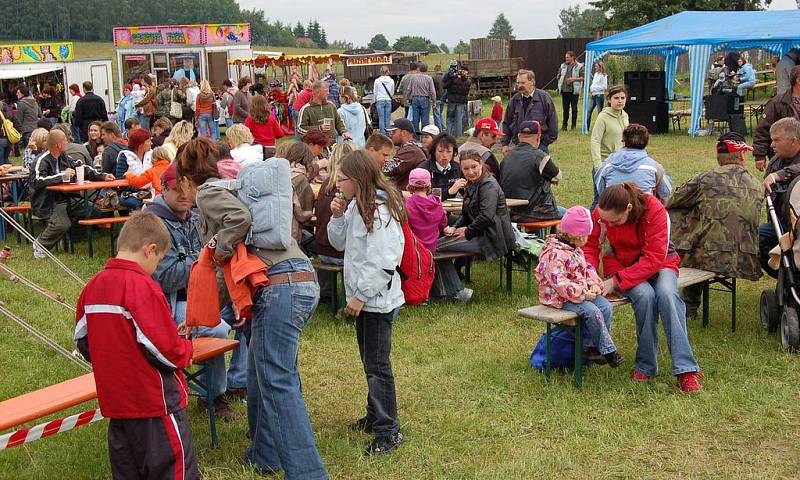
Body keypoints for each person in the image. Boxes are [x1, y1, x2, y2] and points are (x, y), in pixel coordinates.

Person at [176, 139, 327, 478]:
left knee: (278, 381)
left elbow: (238, 221)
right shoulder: (232, 186)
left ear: (187, 178)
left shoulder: (206, 194)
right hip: (298, 279)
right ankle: (265, 453)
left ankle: (308, 473)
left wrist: (218, 251)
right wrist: (202, 314)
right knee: (264, 372)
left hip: (278, 288)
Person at [74, 212, 198, 480]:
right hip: (155, 405)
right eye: (160, 259)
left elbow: (82, 339)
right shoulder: (143, 286)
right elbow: (164, 349)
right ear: (150, 250)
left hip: (117, 404)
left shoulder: (92, 287)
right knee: (175, 471)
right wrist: (187, 349)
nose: (157, 266)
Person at [584, 183, 704, 393]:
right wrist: (590, 275)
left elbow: (654, 258)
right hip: (621, 264)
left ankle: (686, 370)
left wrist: (616, 281)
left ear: (628, 208)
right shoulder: (603, 211)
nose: (607, 224)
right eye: (603, 220)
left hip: (660, 262)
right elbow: (590, 245)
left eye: (613, 221)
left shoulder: (655, 209)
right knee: (645, 296)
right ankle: (646, 366)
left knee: (667, 295)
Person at [327, 149, 406, 455]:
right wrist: (336, 216)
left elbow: (384, 261)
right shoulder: (356, 207)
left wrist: (361, 296)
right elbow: (338, 242)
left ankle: (389, 430)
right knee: (370, 361)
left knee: (377, 365)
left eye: (343, 178)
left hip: (377, 301)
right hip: (366, 298)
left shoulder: (381, 211)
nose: (338, 183)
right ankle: (375, 416)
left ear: (357, 179)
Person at [147, 163, 238, 420]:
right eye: (178, 189)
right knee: (218, 328)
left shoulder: (196, 217)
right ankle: (215, 395)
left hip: (200, 294)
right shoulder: (153, 223)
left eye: (188, 189)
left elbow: (218, 260)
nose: (185, 195)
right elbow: (165, 277)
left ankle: (234, 384)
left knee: (246, 315)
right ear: (163, 188)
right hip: (166, 303)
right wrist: (203, 260)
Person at [667, 132, 763, 319]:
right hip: (746, 258)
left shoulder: (706, 178)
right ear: (742, 155)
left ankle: (689, 306)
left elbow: (670, 201)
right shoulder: (756, 183)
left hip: (709, 256)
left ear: (718, 154)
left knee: (677, 212)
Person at [535, 206, 623, 367]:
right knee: (591, 311)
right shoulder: (553, 254)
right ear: (575, 235)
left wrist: (595, 284)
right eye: (585, 236)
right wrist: (582, 294)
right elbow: (559, 283)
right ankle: (608, 351)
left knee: (605, 306)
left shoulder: (575, 249)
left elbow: (587, 269)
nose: (587, 239)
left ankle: (591, 346)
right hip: (558, 297)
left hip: (577, 293)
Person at [30, 130, 113, 258]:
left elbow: (82, 167)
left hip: (68, 198)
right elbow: (36, 181)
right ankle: (41, 244)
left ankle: (68, 238)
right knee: (62, 224)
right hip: (49, 201)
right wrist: (62, 176)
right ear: (58, 145)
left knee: (95, 211)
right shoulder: (41, 160)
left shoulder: (65, 157)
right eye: (65, 141)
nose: (67, 143)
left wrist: (102, 175)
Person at [405, 168, 473, 302]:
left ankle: (441, 292)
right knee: (440, 253)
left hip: (414, 248)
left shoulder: (408, 204)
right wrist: (447, 228)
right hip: (432, 246)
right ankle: (450, 292)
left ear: (409, 186)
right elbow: (443, 224)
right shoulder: (436, 203)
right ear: (429, 185)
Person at [438, 150, 515, 261]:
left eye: (474, 167)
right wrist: (454, 227)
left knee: (435, 249)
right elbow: (466, 213)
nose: (470, 172)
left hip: (491, 238)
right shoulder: (472, 182)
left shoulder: (489, 185)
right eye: (466, 169)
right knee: (434, 248)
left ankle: (452, 278)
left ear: (481, 164)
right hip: (479, 233)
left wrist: (467, 231)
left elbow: (486, 216)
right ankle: (454, 277)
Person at [314, 141, 357, 299]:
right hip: (342, 254)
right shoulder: (349, 190)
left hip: (322, 248)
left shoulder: (326, 184)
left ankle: (325, 291)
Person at [759, 118, 800, 278]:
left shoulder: (778, 168)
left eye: (777, 140)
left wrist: (778, 175)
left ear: (793, 141)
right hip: (781, 223)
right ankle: (786, 278)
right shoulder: (775, 161)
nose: (772, 145)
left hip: (797, 224)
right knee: (755, 239)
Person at [499, 121, 561, 222]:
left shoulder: (506, 158)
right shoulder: (540, 156)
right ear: (539, 136)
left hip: (511, 211)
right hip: (535, 211)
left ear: (519, 136)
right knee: (569, 215)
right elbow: (557, 176)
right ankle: (551, 238)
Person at [595, 124, 671, 203]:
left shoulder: (607, 165)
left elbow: (600, 190)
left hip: (615, 210)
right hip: (644, 212)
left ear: (623, 142)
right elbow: (665, 192)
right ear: (646, 143)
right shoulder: (654, 167)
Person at [753, 66, 800, 171]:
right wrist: (759, 155)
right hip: (784, 158)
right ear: (798, 80)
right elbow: (762, 129)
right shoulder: (777, 103)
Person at [502, 70, 558, 154]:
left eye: (523, 83)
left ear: (532, 82)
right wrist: (505, 143)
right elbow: (507, 122)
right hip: (519, 146)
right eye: (518, 83)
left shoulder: (544, 98)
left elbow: (553, 121)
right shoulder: (514, 100)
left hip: (540, 146)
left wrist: (545, 142)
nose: (519, 86)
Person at [590, 85, 629, 201]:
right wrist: (598, 164)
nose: (620, 101)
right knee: (601, 200)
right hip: (604, 163)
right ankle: (592, 219)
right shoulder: (603, 117)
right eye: (616, 98)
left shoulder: (625, 116)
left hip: (621, 163)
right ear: (609, 99)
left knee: (618, 199)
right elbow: (595, 140)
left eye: (623, 98)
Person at [384, 118, 427, 189]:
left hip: (406, 193)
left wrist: (376, 160)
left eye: (394, 132)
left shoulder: (410, 150)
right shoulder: (414, 146)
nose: (391, 135)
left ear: (403, 133)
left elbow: (387, 169)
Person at [420, 133, 463, 201]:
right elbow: (422, 196)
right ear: (434, 151)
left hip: (451, 209)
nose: (445, 155)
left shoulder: (457, 168)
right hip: (429, 209)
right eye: (440, 151)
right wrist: (449, 191)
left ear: (453, 153)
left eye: (449, 151)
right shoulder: (423, 169)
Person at [404, 62, 437, 138]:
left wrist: (407, 98)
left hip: (415, 98)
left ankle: (416, 136)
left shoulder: (413, 77)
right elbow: (432, 91)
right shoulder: (429, 78)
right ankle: (424, 136)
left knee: (415, 119)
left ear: (419, 68)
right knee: (425, 119)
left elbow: (409, 89)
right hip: (425, 98)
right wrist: (434, 101)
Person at [557, 51, 584, 131]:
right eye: (566, 57)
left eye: (568, 57)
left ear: (573, 57)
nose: (566, 59)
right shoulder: (563, 66)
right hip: (564, 90)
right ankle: (564, 125)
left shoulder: (579, 66)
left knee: (574, 109)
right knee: (565, 109)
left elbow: (583, 78)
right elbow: (559, 75)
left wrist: (573, 79)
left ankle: (573, 126)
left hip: (574, 91)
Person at [443, 64, 471, 138]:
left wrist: (453, 76)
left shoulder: (454, 79)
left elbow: (445, 85)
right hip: (461, 102)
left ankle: (448, 134)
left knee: (450, 118)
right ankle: (458, 135)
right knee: (459, 119)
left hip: (452, 101)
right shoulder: (468, 81)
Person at [373, 66, 395, 135]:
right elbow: (392, 91)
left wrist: (375, 100)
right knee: (387, 118)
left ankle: (382, 134)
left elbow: (375, 92)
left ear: (380, 72)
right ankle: (388, 133)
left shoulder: (377, 81)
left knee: (381, 118)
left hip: (380, 99)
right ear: (388, 71)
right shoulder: (391, 81)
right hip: (388, 99)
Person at [587, 61, 608, 130]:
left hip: (599, 96)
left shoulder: (604, 75)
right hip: (593, 95)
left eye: (596, 66)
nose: (595, 67)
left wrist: (594, 88)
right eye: (595, 66)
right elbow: (594, 84)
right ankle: (586, 128)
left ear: (600, 67)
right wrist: (591, 88)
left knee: (600, 113)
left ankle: (601, 128)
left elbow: (604, 87)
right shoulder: (595, 74)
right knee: (589, 111)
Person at [0, 100, 20, 165]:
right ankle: (11, 172)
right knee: (6, 159)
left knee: (1, 162)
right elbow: (17, 124)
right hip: (9, 139)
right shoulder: (9, 113)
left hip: (1, 139)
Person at [431, 64, 446, 132]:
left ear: (435, 70)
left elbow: (432, 89)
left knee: (436, 114)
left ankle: (439, 130)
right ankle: (443, 127)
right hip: (443, 98)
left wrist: (432, 98)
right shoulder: (445, 77)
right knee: (440, 113)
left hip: (436, 98)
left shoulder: (433, 78)